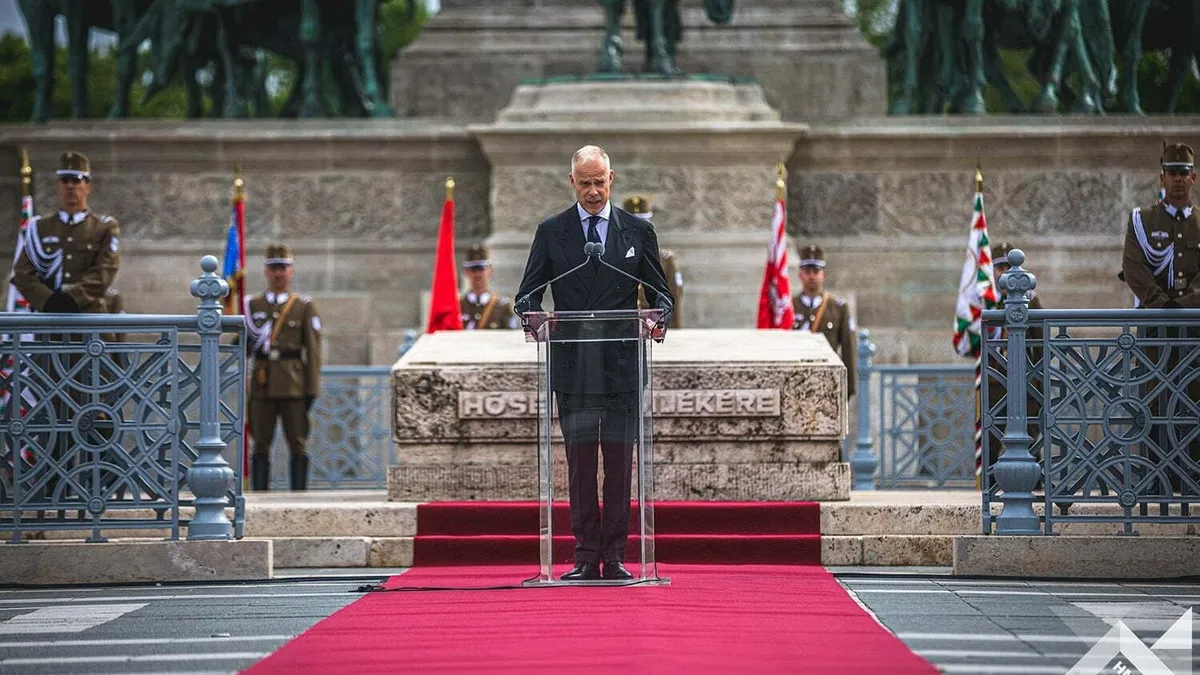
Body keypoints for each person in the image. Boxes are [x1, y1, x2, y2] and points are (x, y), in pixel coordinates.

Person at [514, 145, 674, 582]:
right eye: (584, 183)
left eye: (598, 182)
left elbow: (661, 294)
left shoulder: (636, 232)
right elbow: (526, 295)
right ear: (572, 182)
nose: (592, 191)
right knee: (581, 466)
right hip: (573, 368)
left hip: (621, 367)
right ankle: (585, 556)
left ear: (611, 180)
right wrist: (531, 314)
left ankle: (616, 557)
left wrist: (659, 316)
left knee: (620, 467)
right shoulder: (552, 232)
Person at [1121, 141, 1200, 493]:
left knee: (1194, 398)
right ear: (1162, 177)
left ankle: (1192, 476)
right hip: (1155, 328)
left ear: (1193, 178)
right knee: (1153, 400)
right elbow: (1133, 268)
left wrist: (1182, 306)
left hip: (1193, 328)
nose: (1178, 180)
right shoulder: (1142, 220)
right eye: (1172, 173)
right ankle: (1156, 479)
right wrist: (1161, 305)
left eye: (1184, 173)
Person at [245, 244, 322, 491]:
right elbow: (243, 346)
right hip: (262, 383)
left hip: (293, 384)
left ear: (291, 271)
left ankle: (299, 495)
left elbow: (313, 349)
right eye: (273, 268)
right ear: (266, 271)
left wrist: (311, 389)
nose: (278, 273)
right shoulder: (252, 305)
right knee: (259, 444)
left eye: (283, 268)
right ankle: (258, 495)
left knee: (298, 443)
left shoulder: (303, 305)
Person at [12, 151, 120, 314]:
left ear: (87, 186)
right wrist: (47, 300)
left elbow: (105, 271)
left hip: (90, 318)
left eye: (76, 180)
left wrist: (72, 298)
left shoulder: (104, 227)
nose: (70, 186)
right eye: (65, 180)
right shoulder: (40, 227)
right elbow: (22, 273)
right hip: (49, 319)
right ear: (58, 185)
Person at [791, 245, 856, 397]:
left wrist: (848, 388)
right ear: (800, 275)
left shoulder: (838, 307)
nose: (812, 276)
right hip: (797, 382)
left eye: (816, 271)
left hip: (828, 383)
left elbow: (848, 348)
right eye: (807, 272)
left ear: (823, 275)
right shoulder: (790, 306)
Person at [626, 196, 684, 329]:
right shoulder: (613, 255)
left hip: (651, 323)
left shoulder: (664, 259)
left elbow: (673, 293)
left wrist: (671, 325)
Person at [459, 244, 518, 330]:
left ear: (490, 271)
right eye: (473, 269)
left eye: (481, 269)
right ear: (465, 272)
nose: (478, 274)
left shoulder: (502, 306)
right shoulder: (458, 306)